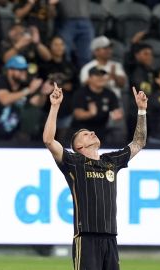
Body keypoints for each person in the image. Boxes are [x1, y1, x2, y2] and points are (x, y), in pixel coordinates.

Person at [43, 82, 147, 270]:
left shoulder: (111, 161)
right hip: (87, 238)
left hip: (111, 238)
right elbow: (49, 140)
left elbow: (139, 142)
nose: (92, 132)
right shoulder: (74, 162)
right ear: (79, 147)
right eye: (84, 134)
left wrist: (141, 110)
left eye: (90, 131)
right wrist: (55, 106)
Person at [69, 67, 123, 145]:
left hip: (101, 130)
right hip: (82, 131)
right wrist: (90, 114)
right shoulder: (80, 93)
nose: (101, 78)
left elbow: (116, 110)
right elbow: (77, 114)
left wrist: (117, 115)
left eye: (103, 75)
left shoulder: (110, 94)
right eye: (97, 75)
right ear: (90, 78)